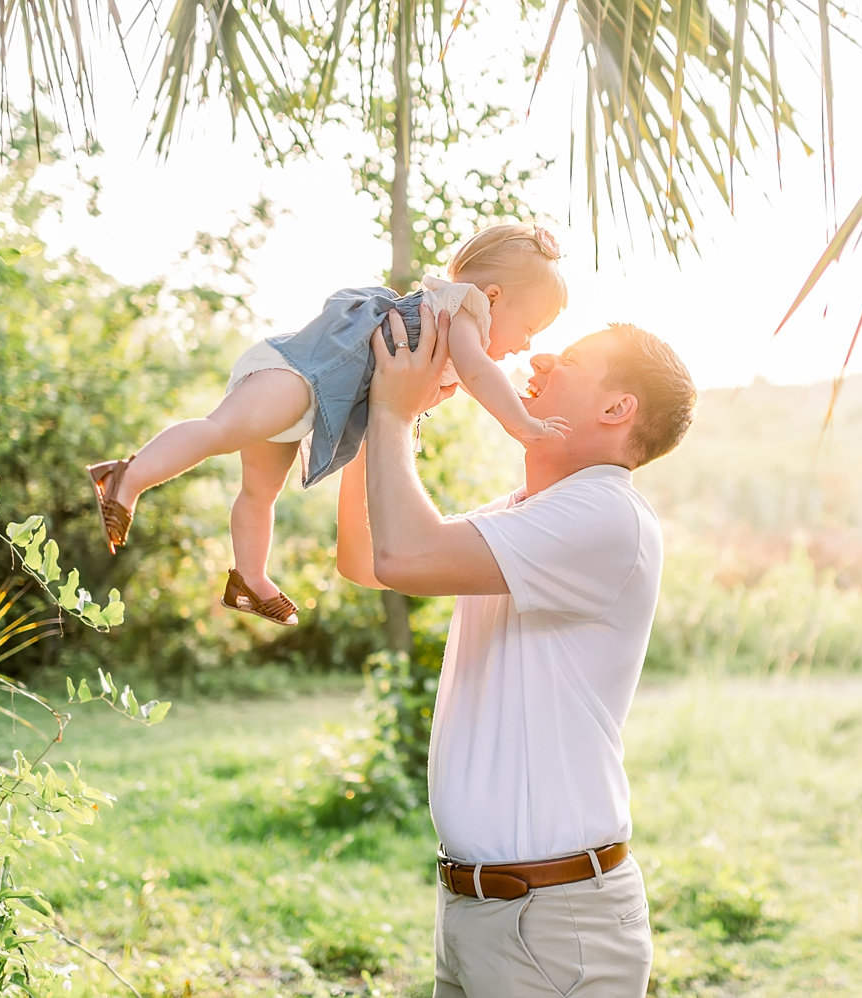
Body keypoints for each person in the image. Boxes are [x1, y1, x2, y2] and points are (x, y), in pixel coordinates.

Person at [336, 303, 697, 997]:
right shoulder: (525, 513)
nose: (537, 361)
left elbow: (405, 554)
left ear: (617, 408)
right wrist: (376, 412)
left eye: (569, 361)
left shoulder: (604, 513)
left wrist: (394, 412)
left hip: (551, 924)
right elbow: (367, 557)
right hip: (484, 914)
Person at [83, 223, 570, 626]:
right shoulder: (465, 308)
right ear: (493, 296)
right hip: (298, 375)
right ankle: (127, 478)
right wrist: (523, 424)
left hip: (305, 396)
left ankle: (249, 580)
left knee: (259, 493)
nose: (526, 345)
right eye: (529, 329)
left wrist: (525, 396)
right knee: (219, 431)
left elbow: (463, 380)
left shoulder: (453, 320)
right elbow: (480, 375)